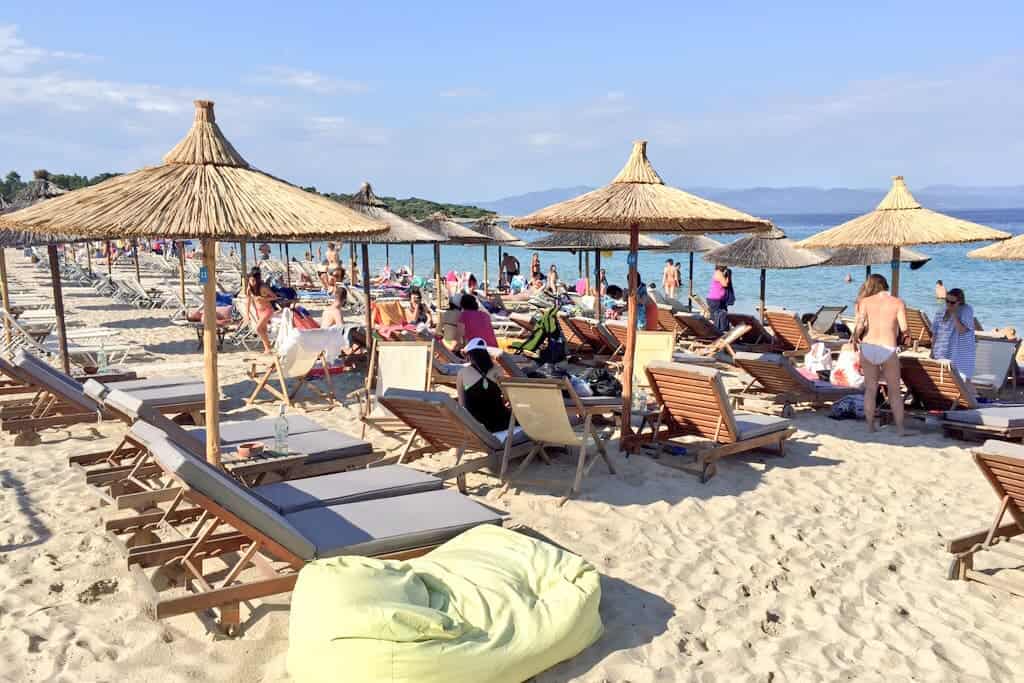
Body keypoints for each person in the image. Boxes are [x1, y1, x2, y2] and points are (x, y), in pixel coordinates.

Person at [853, 274, 908, 435]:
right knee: (894, 391)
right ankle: (900, 429)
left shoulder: (865, 302)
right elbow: (904, 328)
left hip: (868, 346)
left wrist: (855, 339)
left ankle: (870, 427)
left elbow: (860, 325)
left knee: (870, 389)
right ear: (886, 285)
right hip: (888, 347)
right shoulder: (897, 302)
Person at [456, 337, 511, 432]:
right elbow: (506, 397)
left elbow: (462, 404)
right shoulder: (497, 370)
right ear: (486, 354)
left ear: (470, 355)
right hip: (501, 422)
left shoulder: (462, 373)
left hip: (476, 425)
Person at [931, 288, 976, 380]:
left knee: (962, 379)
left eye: (952, 302)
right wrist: (932, 350)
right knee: (943, 378)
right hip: (941, 351)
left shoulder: (966, 310)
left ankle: (971, 394)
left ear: (959, 302)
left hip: (960, 353)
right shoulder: (941, 310)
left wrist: (954, 314)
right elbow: (935, 332)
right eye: (947, 301)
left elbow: (962, 330)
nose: (948, 304)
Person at [245, 267, 278, 353]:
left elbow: (275, 297)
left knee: (259, 329)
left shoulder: (263, 287)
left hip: (267, 310)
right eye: (250, 280)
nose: (252, 283)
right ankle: (267, 349)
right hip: (259, 312)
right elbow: (247, 302)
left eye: (254, 280)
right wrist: (247, 314)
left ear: (258, 280)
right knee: (263, 330)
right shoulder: (249, 289)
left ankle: (268, 348)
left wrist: (264, 299)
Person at [707, 265, 732, 332]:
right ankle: (716, 331)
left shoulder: (718, 273)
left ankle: (716, 330)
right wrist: (728, 275)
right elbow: (725, 284)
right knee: (716, 316)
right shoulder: (719, 273)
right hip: (715, 299)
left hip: (715, 299)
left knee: (717, 316)